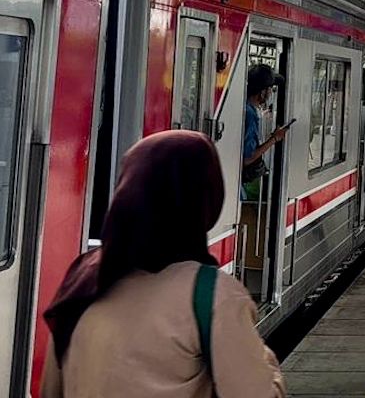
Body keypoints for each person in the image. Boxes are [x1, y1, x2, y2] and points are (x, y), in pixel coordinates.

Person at [42, 131, 284, 397]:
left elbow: (51, 390)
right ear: (206, 199)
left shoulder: (83, 279)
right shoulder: (214, 295)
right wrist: (263, 360)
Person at [242, 63, 290, 201]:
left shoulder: (245, 108)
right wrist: (274, 139)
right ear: (262, 92)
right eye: (270, 89)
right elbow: (247, 158)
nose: (271, 93)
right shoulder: (250, 114)